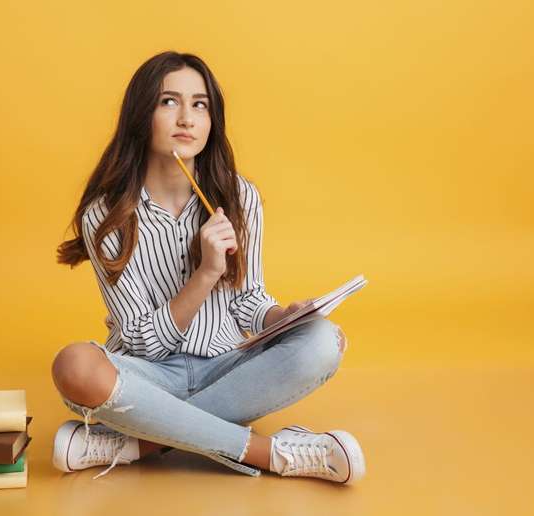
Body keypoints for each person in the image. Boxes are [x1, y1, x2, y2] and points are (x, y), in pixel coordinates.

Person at [52, 50, 365, 483]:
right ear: (141, 114)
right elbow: (144, 344)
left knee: (324, 341)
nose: (187, 118)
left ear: (212, 120)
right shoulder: (106, 216)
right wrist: (204, 275)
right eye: (169, 102)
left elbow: (248, 302)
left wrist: (282, 317)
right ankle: (268, 453)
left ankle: (141, 441)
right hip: (148, 376)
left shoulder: (239, 197)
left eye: (200, 105)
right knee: (75, 366)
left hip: (226, 366)